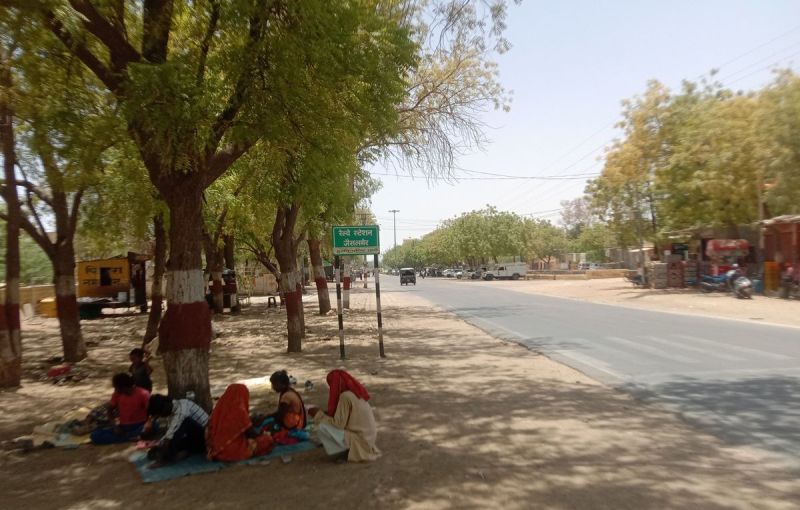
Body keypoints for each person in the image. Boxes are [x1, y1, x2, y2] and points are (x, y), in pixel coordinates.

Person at [308, 369, 380, 462]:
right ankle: (348, 448)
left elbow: (338, 424)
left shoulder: (345, 397)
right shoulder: (354, 393)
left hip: (361, 441)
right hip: (368, 439)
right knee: (326, 422)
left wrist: (318, 415)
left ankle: (349, 451)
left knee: (322, 427)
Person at [206, 384, 273, 462]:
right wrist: (263, 433)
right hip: (232, 451)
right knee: (267, 440)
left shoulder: (218, 410)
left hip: (215, 450)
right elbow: (251, 434)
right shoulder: (240, 411)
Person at [146, 394, 208, 467]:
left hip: (207, 438)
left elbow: (170, 435)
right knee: (158, 449)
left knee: (184, 422)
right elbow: (170, 432)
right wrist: (159, 444)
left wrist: (162, 454)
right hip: (195, 438)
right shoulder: (172, 410)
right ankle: (190, 451)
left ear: (165, 408)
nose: (161, 416)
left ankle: (166, 459)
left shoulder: (182, 409)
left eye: (160, 414)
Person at [90, 373, 150, 444]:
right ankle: (129, 438)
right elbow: (109, 410)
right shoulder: (117, 394)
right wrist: (115, 426)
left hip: (139, 425)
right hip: (123, 427)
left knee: (151, 428)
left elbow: (151, 413)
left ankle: (128, 437)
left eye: (116, 387)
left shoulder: (143, 394)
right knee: (94, 435)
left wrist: (148, 425)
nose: (115, 389)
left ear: (123, 387)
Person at [261, 370, 307, 444]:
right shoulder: (290, 391)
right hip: (299, 422)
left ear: (281, 384)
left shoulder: (286, 396)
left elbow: (280, 414)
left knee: (267, 426)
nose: (272, 387)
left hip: (296, 425)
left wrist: (266, 417)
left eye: (274, 384)